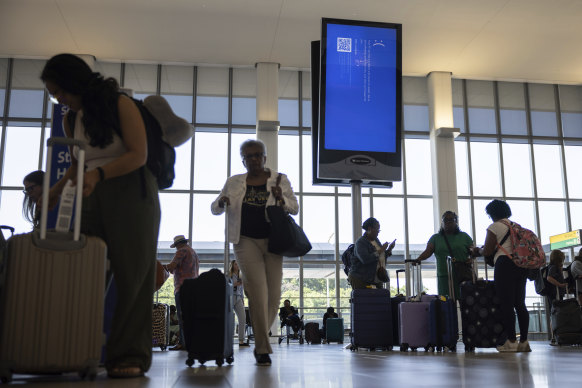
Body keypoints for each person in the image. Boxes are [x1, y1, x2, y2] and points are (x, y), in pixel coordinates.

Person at [41, 53, 161, 378]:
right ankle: (72, 349)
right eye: (54, 94)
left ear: (75, 82)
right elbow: (80, 163)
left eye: (61, 91)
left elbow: (139, 154)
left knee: (133, 276)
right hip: (93, 192)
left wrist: (100, 176)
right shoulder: (71, 118)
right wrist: (54, 191)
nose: (59, 98)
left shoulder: (120, 104)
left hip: (131, 191)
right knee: (83, 271)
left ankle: (129, 355)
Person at [211, 139, 298, 367]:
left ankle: (260, 335)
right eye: (248, 156)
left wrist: (281, 198)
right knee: (258, 292)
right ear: (243, 160)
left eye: (258, 155)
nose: (254, 159)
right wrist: (222, 202)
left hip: (273, 240)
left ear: (265, 157)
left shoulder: (279, 179)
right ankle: (262, 347)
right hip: (244, 240)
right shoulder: (234, 182)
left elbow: (294, 208)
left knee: (274, 294)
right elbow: (215, 208)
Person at [471, 199, 530, 352]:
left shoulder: (494, 227)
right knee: (520, 304)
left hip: (504, 265)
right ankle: (524, 341)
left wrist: (478, 251)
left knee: (507, 304)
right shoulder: (516, 226)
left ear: (491, 213)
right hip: (520, 265)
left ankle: (511, 341)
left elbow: (488, 251)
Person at [415, 211, 474, 298]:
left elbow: (472, 251)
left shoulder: (464, 236)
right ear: (442, 222)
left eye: (451, 219)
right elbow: (428, 251)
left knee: (465, 301)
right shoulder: (435, 238)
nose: (448, 222)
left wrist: (471, 258)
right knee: (446, 302)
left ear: (456, 221)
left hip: (462, 275)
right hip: (444, 277)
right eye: (445, 220)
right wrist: (418, 259)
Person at [164, 234, 199, 351]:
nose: (176, 249)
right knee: (190, 317)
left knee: (182, 316)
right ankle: (192, 342)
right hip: (194, 288)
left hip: (182, 288)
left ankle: (183, 344)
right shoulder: (193, 252)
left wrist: (164, 267)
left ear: (178, 244)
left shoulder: (181, 251)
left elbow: (172, 266)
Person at [348, 217, 395, 290]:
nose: (378, 232)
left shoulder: (376, 240)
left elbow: (380, 256)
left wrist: (389, 249)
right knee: (365, 300)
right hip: (361, 278)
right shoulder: (361, 242)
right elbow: (365, 259)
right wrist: (382, 249)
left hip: (376, 279)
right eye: (377, 229)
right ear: (369, 229)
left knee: (379, 300)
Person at [229, 259, 249, 347]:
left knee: (243, 319)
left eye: (238, 264)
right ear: (233, 265)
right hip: (230, 297)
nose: (237, 266)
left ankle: (241, 341)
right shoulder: (229, 275)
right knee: (228, 319)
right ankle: (225, 340)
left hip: (239, 298)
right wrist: (235, 284)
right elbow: (226, 285)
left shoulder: (241, 275)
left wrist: (242, 298)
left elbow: (241, 289)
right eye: (236, 264)